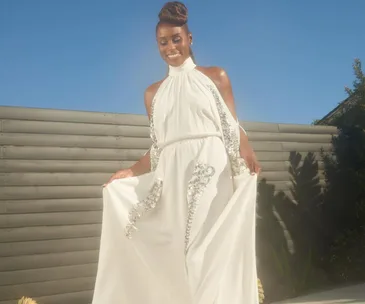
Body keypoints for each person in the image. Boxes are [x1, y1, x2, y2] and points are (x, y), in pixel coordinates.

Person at [92, 2, 261, 303]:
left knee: (201, 256)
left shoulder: (215, 77)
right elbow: (157, 149)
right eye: (163, 41)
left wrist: (247, 156)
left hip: (210, 176)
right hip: (171, 183)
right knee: (176, 259)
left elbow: (235, 128)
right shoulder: (152, 94)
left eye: (176, 39)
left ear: (189, 39)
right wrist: (130, 171)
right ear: (157, 45)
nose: (170, 47)